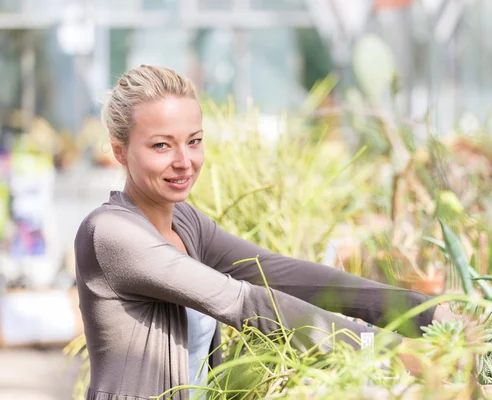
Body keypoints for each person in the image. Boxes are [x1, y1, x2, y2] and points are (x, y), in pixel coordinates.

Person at [74, 65, 459, 400]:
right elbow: (243, 301)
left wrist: (423, 312)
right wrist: (386, 350)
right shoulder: (110, 233)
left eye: (194, 141)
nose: (184, 162)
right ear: (120, 152)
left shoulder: (186, 223)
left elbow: (288, 276)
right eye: (161, 145)